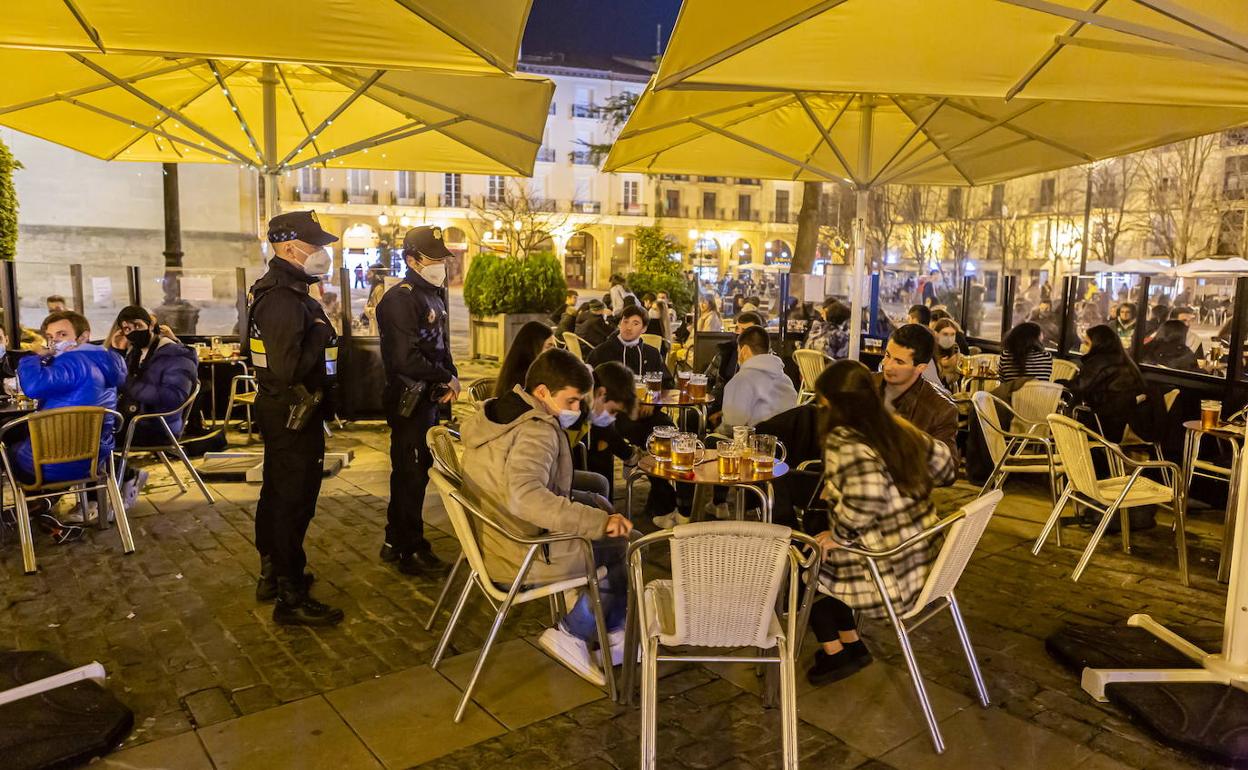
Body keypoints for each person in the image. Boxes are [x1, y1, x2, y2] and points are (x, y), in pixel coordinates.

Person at [459, 348, 633, 684]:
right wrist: (599, 522)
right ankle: (576, 632)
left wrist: (589, 503)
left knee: (603, 519)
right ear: (542, 392)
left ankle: (613, 632)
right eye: (570, 401)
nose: (577, 410)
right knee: (618, 547)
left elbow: (524, 488)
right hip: (519, 553)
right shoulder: (537, 430)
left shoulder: (501, 411)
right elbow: (526, 497)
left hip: (495, 539)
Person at [806, 360, 956, 685]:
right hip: (927, 566)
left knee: (805, 555)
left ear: (830, 402)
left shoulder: (843, 441)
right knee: (823, 546)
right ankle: (851, 642)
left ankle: (835, 653)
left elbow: (868, 498)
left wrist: (839, 534)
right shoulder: (893, 426)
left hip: (890, 576)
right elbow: (945, 467)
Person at [245, 211, 343, 626]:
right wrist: (321, 334)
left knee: (279, 493)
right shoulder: (284, 299)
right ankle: (290, 593)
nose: (322, 254)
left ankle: (275, 572)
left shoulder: (287, 291)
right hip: (293, 410)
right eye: (315, 246)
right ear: (289, 249)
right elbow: (286, 368)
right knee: (293, 500)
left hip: (288, 410)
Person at [376, 225, 459, 578]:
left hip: (427, 399)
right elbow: (404, 359)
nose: (442, 265)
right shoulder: (401, 298)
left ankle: (398, 540)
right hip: (408, 400)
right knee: (409, 474)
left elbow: (440, 344)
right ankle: (408, 547)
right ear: (411, 260)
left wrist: (451, 376)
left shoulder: (433, 294)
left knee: (417, 473)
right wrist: (444, 377)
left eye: (443, 259)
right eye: (434, 259)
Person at [15, 311, 127, 538]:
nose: (54, 341)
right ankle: (41, 506)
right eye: (50, 336)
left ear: (83, 337)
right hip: (95, 458)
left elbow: (33, 386)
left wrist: (31, 357)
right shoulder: (105, 361)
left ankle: (32, 508)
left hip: (55, 463)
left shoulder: (72, 362)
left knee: (8, 450)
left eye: (62, 334)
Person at [111, 305, 199, 502]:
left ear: (151, 325)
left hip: (158, 425)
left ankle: (122, 480)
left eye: (137, 325)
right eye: (126, 329)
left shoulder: (176, 355)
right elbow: (118, 380)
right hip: (135, 419)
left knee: (93, 442)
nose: (132, 331)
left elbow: (173, 398)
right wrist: (116, 352)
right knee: (88, 434)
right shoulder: (135, 353)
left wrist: (129, 384)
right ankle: (101, 494)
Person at [874, 324, 959, 466]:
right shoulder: (866, 385)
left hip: (903, 484)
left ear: (921, 368)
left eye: (899, 362)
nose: (887, 365)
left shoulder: (941, 409)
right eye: (888, 355)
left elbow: (949, 469)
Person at [1061, 324, 1150, 443]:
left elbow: (1080, 387)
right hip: (1129, 422)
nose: (1082, 346)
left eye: (1087, 343)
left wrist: (1059, 383)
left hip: (1104, 424)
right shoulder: (1124, 360)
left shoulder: (1098, 362)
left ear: (1098, 345)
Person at [720, 326, 798, 433]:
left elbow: (731, 426)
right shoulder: (786, 380)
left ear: (744, 350)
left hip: (753, 445)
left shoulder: (741, 380)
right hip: (784, 444)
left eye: (738, 351)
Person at [587, 305, 673, 386]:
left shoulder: (652, 354)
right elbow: (587, 383)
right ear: (619, 324)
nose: (629, 327)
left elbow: (667, 384)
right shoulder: (601, 352)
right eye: (625, 322)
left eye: (635, 324)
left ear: (644, 329)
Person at [494, 321, 557, 398]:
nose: (555, 352)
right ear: (531, 348)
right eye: (549, 347)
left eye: (554, 347)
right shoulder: (522, 382)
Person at [931, 319, 963, 390]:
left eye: (952, 334)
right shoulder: (930, 349)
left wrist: (954, 366)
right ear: (936, 334)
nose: (949, 338)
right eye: (945, 334)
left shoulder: (955, 349)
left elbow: (957, 378)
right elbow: (931, 381)